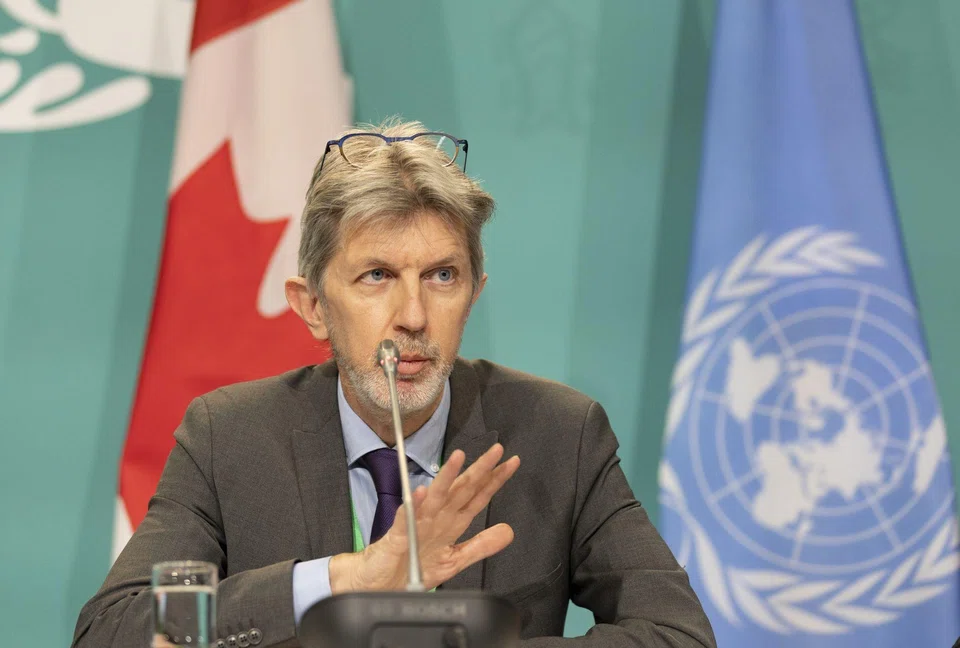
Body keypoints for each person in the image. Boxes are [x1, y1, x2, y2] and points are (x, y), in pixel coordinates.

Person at [73, 120, 717, 647]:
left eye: (442, 276)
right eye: (376, 276)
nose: (413, 318)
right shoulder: (229, 437)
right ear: (312, 306)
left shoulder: (557, 432)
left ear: (474, 294)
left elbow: (677, 634)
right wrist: (346, 579)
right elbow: (112, 631)